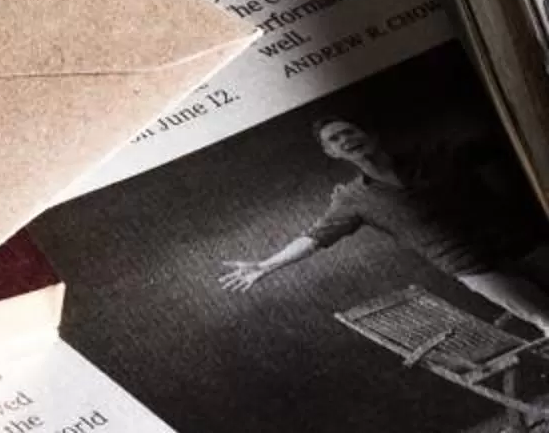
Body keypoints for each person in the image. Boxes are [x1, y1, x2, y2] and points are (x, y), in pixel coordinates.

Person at [220, 116, 549, 330]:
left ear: (371, 134)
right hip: (473, 269)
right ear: (331, 153)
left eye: (349, 131)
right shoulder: (352, 199)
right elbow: (314, 238)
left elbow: (512, 137)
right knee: (544, 319)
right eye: (334, 139)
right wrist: (265, 265)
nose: (345, 139)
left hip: (522, 241)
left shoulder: (436, 155)